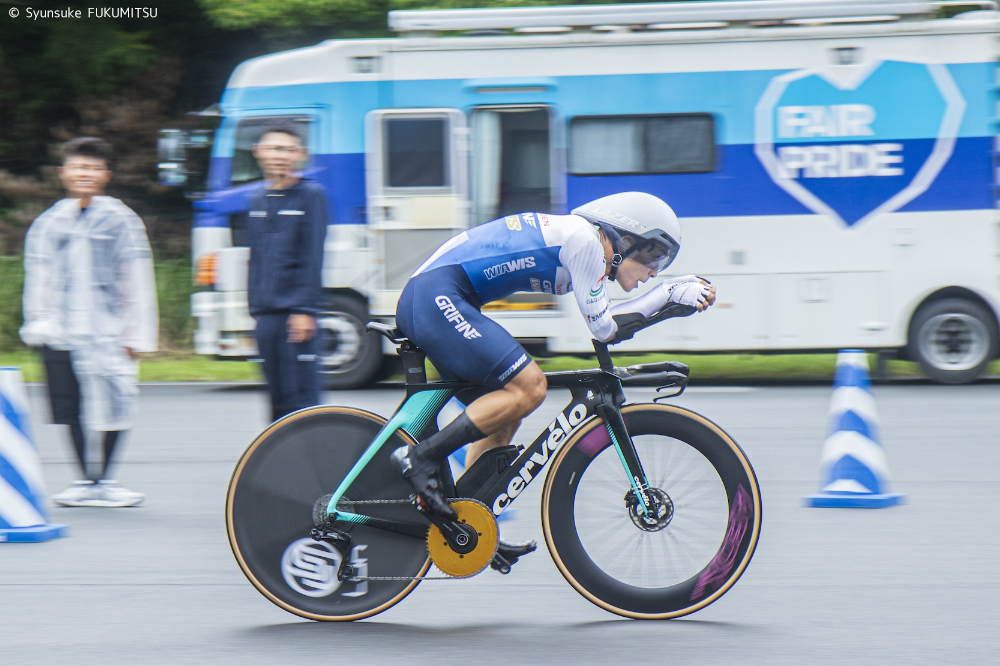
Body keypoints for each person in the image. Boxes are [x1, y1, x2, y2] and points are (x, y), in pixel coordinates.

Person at [392, 191, 716, 568]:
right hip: (434, 297)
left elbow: (604, 324)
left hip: (440, 297)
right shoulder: (586, 241)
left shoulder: (585, 244)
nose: (655, 271)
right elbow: (606, 328)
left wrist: (668, 299)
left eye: (663, 264)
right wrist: (668, 295)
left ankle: (470, 519)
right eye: (653, 256)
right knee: (530, 387)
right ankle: (419, 457)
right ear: (625, 239)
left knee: (507, 410)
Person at [20, 137, 158, 507]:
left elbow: (136, 278)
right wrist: (40, 322)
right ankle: (84, 480)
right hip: (61, 331)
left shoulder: (121, 221)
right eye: (79, 167)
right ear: (64, 173)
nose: (85, 174)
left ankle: (107, 479)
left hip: (110, 331)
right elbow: (39, 276)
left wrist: (136, 332)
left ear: (106, 175)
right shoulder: (49, 223)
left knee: (118, 399)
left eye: (94, 168)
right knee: (69, 405)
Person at [246, 123, 328, 422]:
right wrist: (254, 309)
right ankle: (281, 465)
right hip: (265, 317)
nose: (278, 155)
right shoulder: (257, 199)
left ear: (301, 154)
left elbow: (312, 255)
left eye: (286, 149)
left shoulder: (310, 195)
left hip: (296, 316)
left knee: (301, 400)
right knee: (276, 401)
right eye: (271, 148)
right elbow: (256, 259)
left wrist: (305, 310)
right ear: (258, 153)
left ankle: (314, 466)